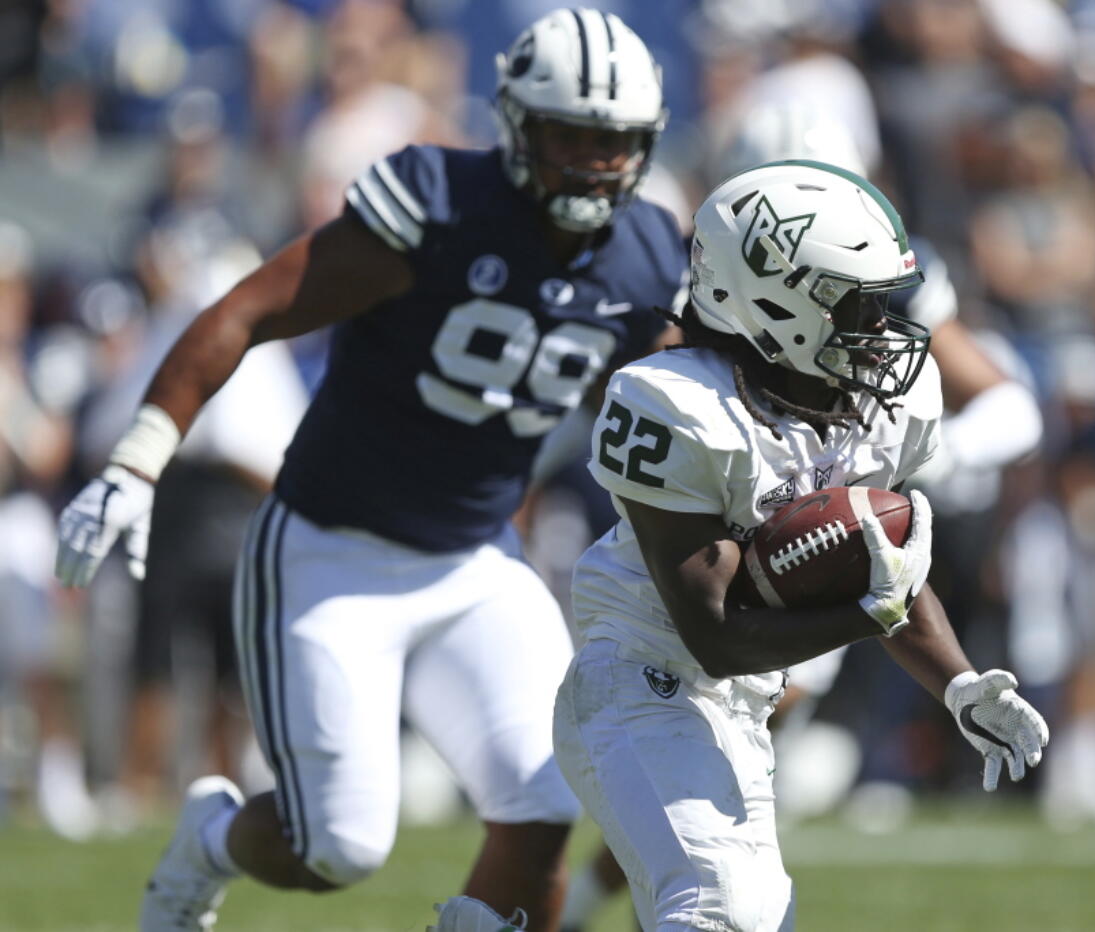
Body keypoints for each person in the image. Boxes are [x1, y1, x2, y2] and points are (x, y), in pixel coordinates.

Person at [54, 8, 687, 931]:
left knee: (548, 802)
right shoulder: (438, 206)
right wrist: (136, 461)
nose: (595, 161)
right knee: (336, 847)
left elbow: (633, 414)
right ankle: (211, 841)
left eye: (615, 140)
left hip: (475, 563)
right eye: (571, 134)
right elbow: (245, 313)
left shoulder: (645, 254)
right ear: (516, 125)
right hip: (329, 553)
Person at [552, 160, 1048, 932]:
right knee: (716, 912)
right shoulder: (671, 403)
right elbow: (713, 632)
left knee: (757, 918)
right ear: (777, 302)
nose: (885, 330)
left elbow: (887, 569)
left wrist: (959, 686)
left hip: (744, 707)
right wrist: (868, 614)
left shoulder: (882, 404)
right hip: (640, 682)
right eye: (860, 308)